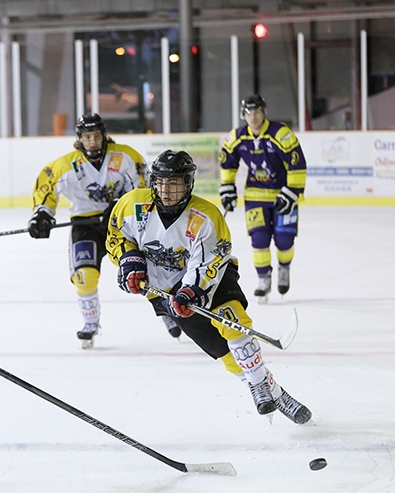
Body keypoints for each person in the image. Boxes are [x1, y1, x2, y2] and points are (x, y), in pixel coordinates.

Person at [107, 149, 311, 425]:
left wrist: (190, 290)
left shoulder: (205, 215)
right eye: (161, 182)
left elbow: (206, 263)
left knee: (232, 322)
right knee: (221, 350)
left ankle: (259, 385)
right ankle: (274, 392)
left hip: (210, 280)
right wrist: (128, 260)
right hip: (164, 291)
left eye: (174, 183)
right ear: (153, 182)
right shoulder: (132, 205)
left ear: (188, 184)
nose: (166, 190)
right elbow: (118, 235)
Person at [28, 112, 180, 349]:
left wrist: (120, 206)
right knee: (84, 276)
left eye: (96, 136)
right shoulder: (66, 165)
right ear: (79, 138)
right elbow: (47, 186)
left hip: (121, 225)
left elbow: (143, 190)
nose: (92, 141)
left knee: (146, 269)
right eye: (87, 137)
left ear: (104, 135)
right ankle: (90, 323)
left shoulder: (126, 157)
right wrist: (42, 214)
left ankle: (166, 311)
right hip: (85, 227)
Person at [218, 94, 307, 301]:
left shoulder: (280, 133)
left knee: (284, 240)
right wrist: (228, 187)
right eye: (249, 112)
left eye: (257, 111)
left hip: (283, 196)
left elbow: (297, 162)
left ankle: (284, 267)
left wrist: (292, 191)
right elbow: (227, 161)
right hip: (255, 196)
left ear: (264, 112)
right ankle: (263, 279)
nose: (253, 117)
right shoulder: (237, 136)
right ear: (243, 115)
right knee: (259, 239)